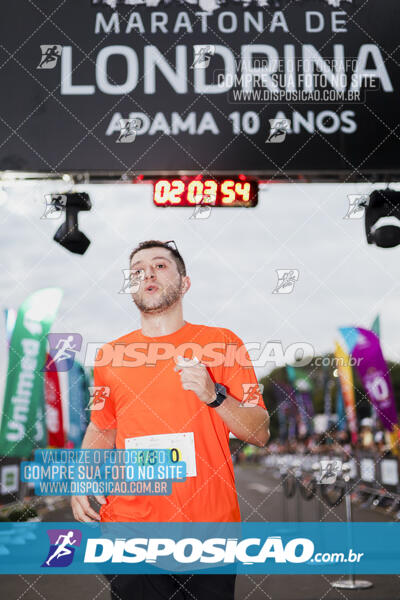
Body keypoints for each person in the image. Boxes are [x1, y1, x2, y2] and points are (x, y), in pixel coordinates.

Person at [71, 239, 270, 600]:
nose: (147, 272)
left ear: (185, 282)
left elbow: (260, 432)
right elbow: (103, 424)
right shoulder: (109, 355)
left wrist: (215, 395)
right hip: (128, 532)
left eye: (160, 265)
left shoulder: (222, 343)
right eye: (137, 270)